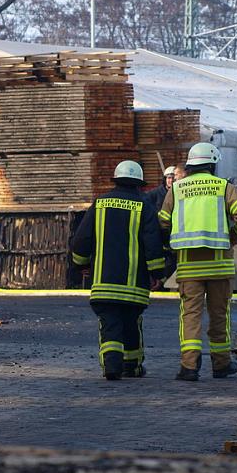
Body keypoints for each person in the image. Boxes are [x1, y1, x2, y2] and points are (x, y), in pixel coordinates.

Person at [158, 143, 237, 382]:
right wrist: (234, 238)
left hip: (189, 266)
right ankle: (221, 365)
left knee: (190, 316)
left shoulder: (177, 189)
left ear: (191, 165)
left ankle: (189, 367)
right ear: (212, 164)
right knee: (219, 315)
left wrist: (171, 247)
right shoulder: (223, 187)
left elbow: (163, 222)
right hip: (220, 266)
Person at [70, 160, 166, 380]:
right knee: (131, 324)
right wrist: (157, 273)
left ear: (116, 180)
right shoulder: (145, 206)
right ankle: (131, 366)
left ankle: (112, 367)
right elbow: (152, 244)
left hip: (104, 284)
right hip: (134, 286)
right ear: (139, 184)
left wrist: (81, 264)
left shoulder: (100, 203)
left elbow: (81, 239)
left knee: (110, 326)